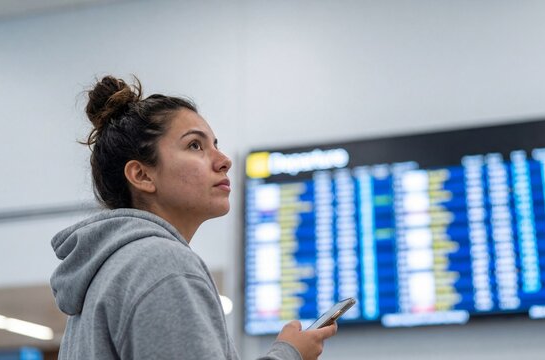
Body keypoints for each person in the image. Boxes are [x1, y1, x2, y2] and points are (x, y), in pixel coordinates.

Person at [50, 76, 337, 359]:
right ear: (142, 175)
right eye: (195, 146)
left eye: (214, 144)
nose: (224, 160)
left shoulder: (106, 275)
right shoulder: (161, 264)